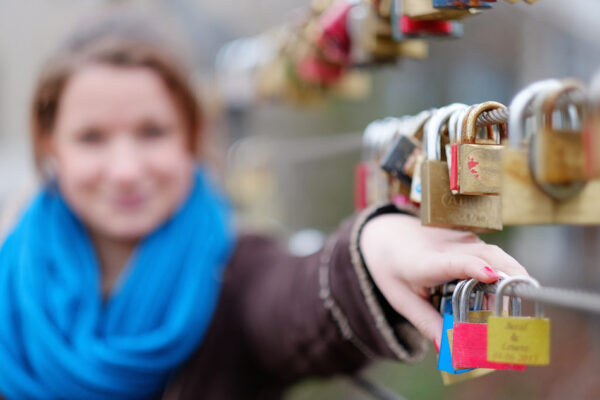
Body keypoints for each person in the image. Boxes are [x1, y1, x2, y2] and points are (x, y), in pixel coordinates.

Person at [0, 9, 527, 400]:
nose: (125, 170)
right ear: (50, 146)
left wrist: (372, 245)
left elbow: (294, 299)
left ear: (191, 139)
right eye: (92, 137)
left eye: (152, 132)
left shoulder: (237, 274)